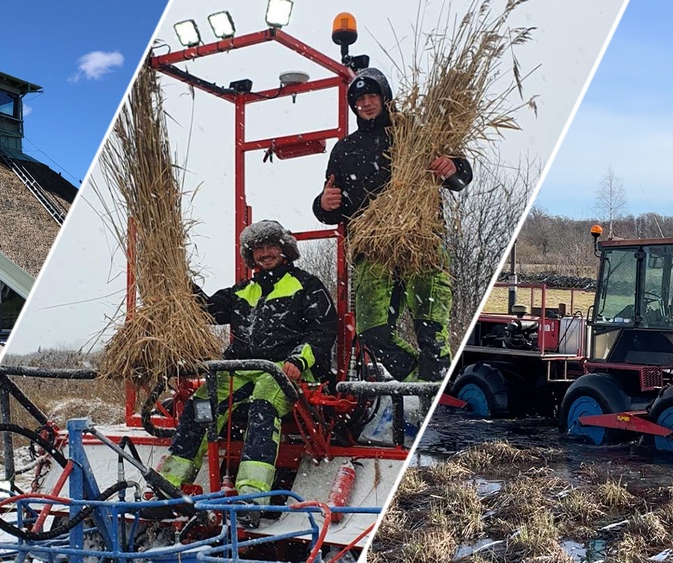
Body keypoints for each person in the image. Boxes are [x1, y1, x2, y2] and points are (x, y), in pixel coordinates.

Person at [157, 220, 337, 526]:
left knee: (263, 402)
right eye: (258, 249)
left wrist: (299, 359)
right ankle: (168, 490)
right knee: (201, 405)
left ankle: (251, 496)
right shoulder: (241, 292)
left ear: (284, 250)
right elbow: (204, 310)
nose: (265, 253)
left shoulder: (307, 285)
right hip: (239, 370)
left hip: (283, 370)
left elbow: (323, 330)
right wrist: (177, 281)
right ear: (250, 255)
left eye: (271, 247)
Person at [312, 67, 473, 382]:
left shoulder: (415, 133)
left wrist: (452, 166)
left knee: (432, 331)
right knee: (372, 331)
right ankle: (424, 385)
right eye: (359, 99)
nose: (367, 103)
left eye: (372, 95)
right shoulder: (344, 149)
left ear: (385, 98)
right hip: (372, 251)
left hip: (422, 241)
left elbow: (460, 175)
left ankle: (432, 389)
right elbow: (333, 207)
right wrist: (321, 204)